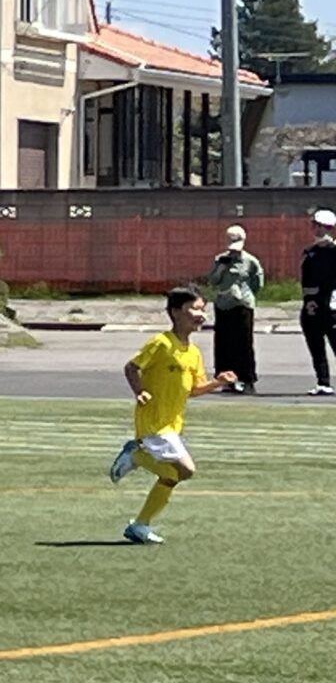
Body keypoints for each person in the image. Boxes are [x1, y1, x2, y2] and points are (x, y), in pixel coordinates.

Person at [108, 285, 232, 544]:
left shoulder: (194, 352)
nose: (201, 315)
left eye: (203, 310)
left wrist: (217, 383)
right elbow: (131, 367)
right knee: (187, 469)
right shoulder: (161, 343)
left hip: (172, 424)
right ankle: (136, 455)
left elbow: (193, 389)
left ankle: (140, 525)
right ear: (176, 312)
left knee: (172, 476)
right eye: (194, 309)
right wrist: (140, 391)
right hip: (153, 422)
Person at [206, 226, 263, 395]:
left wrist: (246, 295)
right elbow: (213, 280)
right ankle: (226, 379)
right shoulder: (220, 259)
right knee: (223, 343)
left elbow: (257, 283)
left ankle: (247, 379)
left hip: (242, 305)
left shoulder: (251, 261)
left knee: (243, 343)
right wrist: (222, 267)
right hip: (223, 304)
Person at [304, 209, 336, 397]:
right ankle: (323, 382)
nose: (316, 229)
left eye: (320, 226)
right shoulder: (310, 252)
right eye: (315, 225)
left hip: (331, 305)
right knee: (316, 346)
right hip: (311, 305)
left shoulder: (334, 251)